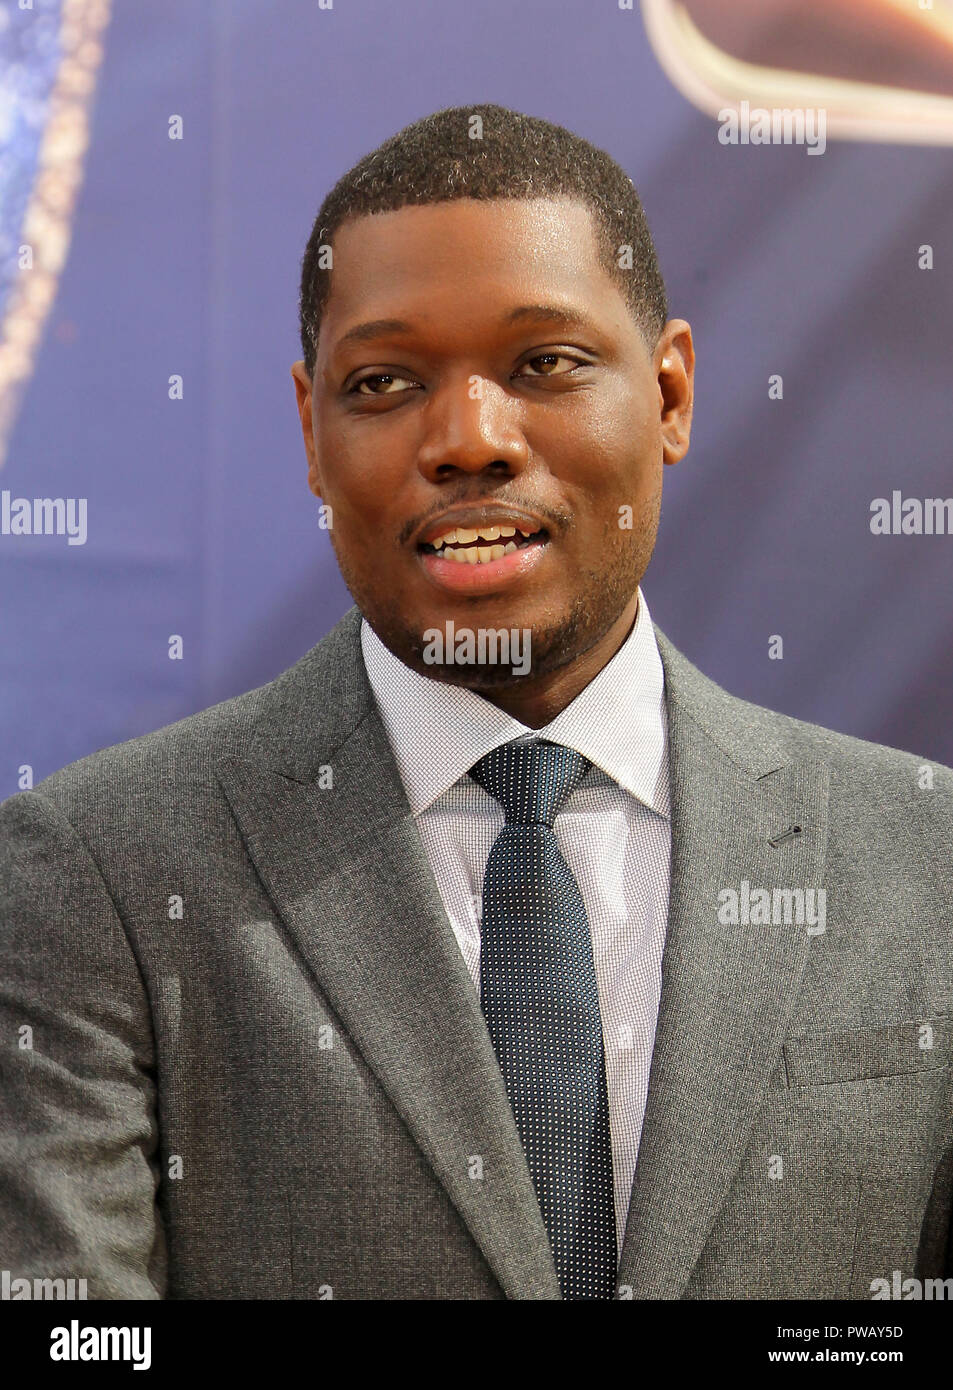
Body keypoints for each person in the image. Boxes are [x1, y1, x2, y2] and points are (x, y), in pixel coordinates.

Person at [1, 104, 951, 1302]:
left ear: (667, 394)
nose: (467, 439)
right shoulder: (96, 878)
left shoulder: (925, 856)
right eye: (385, 380)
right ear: (309, 429)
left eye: (543, 363)